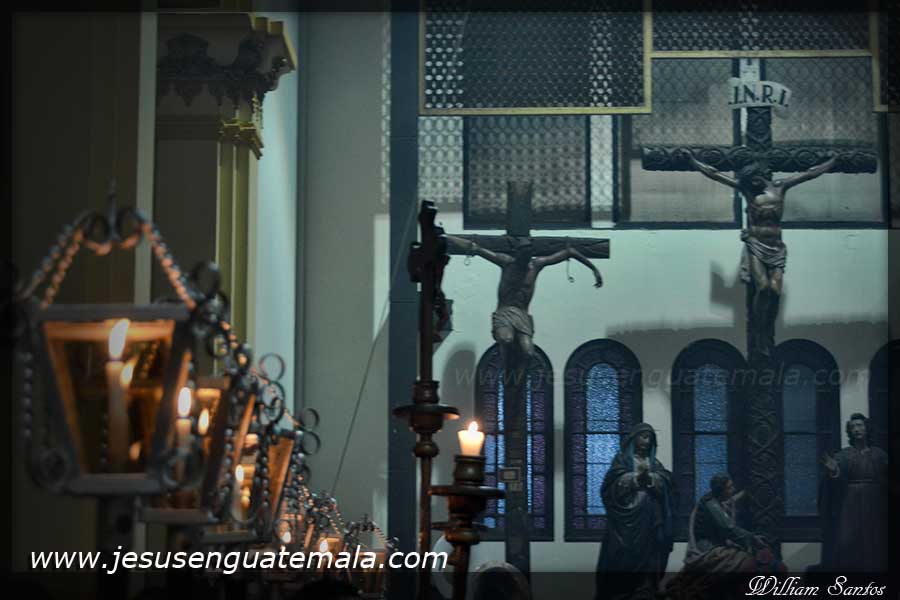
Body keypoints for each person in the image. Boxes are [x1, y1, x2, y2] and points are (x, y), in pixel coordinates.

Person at [684, 153, 837, 356]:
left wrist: (832, 162)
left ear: (760, 175)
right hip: (755, 244)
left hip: (776, 247)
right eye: (748, 181)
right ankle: (758, 331)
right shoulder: (748, 190)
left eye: (753, 179)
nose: (752, 183)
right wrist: (694, 162)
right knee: (763, 287)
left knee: (775, 291)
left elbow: (809, 174)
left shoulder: (781, 186)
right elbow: (715, 174)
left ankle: (766, 327)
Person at [445, 234, 602, 362]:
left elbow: (569, 252)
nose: (525, 259)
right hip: (504, 313)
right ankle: (506, 362)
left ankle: (518, 378)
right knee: (506, 339)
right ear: (517, 253)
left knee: (528, 353)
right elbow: (475, 248)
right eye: (522, 255)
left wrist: (594, 269)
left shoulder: (536, 265)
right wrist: (447, 237)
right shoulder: (506, 263)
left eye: (528, 255)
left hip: (522, 315)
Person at [662, 473, 783, 600]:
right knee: (746, 561)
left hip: (716, 544)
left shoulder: (714, 501)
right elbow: (730, 529)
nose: (733, 490)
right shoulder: (712, 505)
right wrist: (753, 538)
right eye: (729, 487)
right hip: (708, 549)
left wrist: (744, 493)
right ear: (721, 490)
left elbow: (731, 503)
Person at [594, 423, 676, 600]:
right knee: (623, 556)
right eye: (643, 437)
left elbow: (667, 481)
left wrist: (653, 478)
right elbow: (609, 487)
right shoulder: (622, 460)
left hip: (649, 521)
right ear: (634, 439)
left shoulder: (654, 463)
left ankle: (645, 588)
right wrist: (635, 478)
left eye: (650, 439)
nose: (646, 441)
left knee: (649, 555)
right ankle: (621, 591)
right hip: (625, 524)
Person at [820, 413, 888, 571]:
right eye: (852, 427)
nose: (856, 429)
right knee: (848, 539)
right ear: (849, 432)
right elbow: (835, 485)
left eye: (860, 425)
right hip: (850, 504)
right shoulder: (842, 456)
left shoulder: (879, 455)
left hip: (875, 502)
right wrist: (834, 472)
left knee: (875, 537)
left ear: (867, 428)